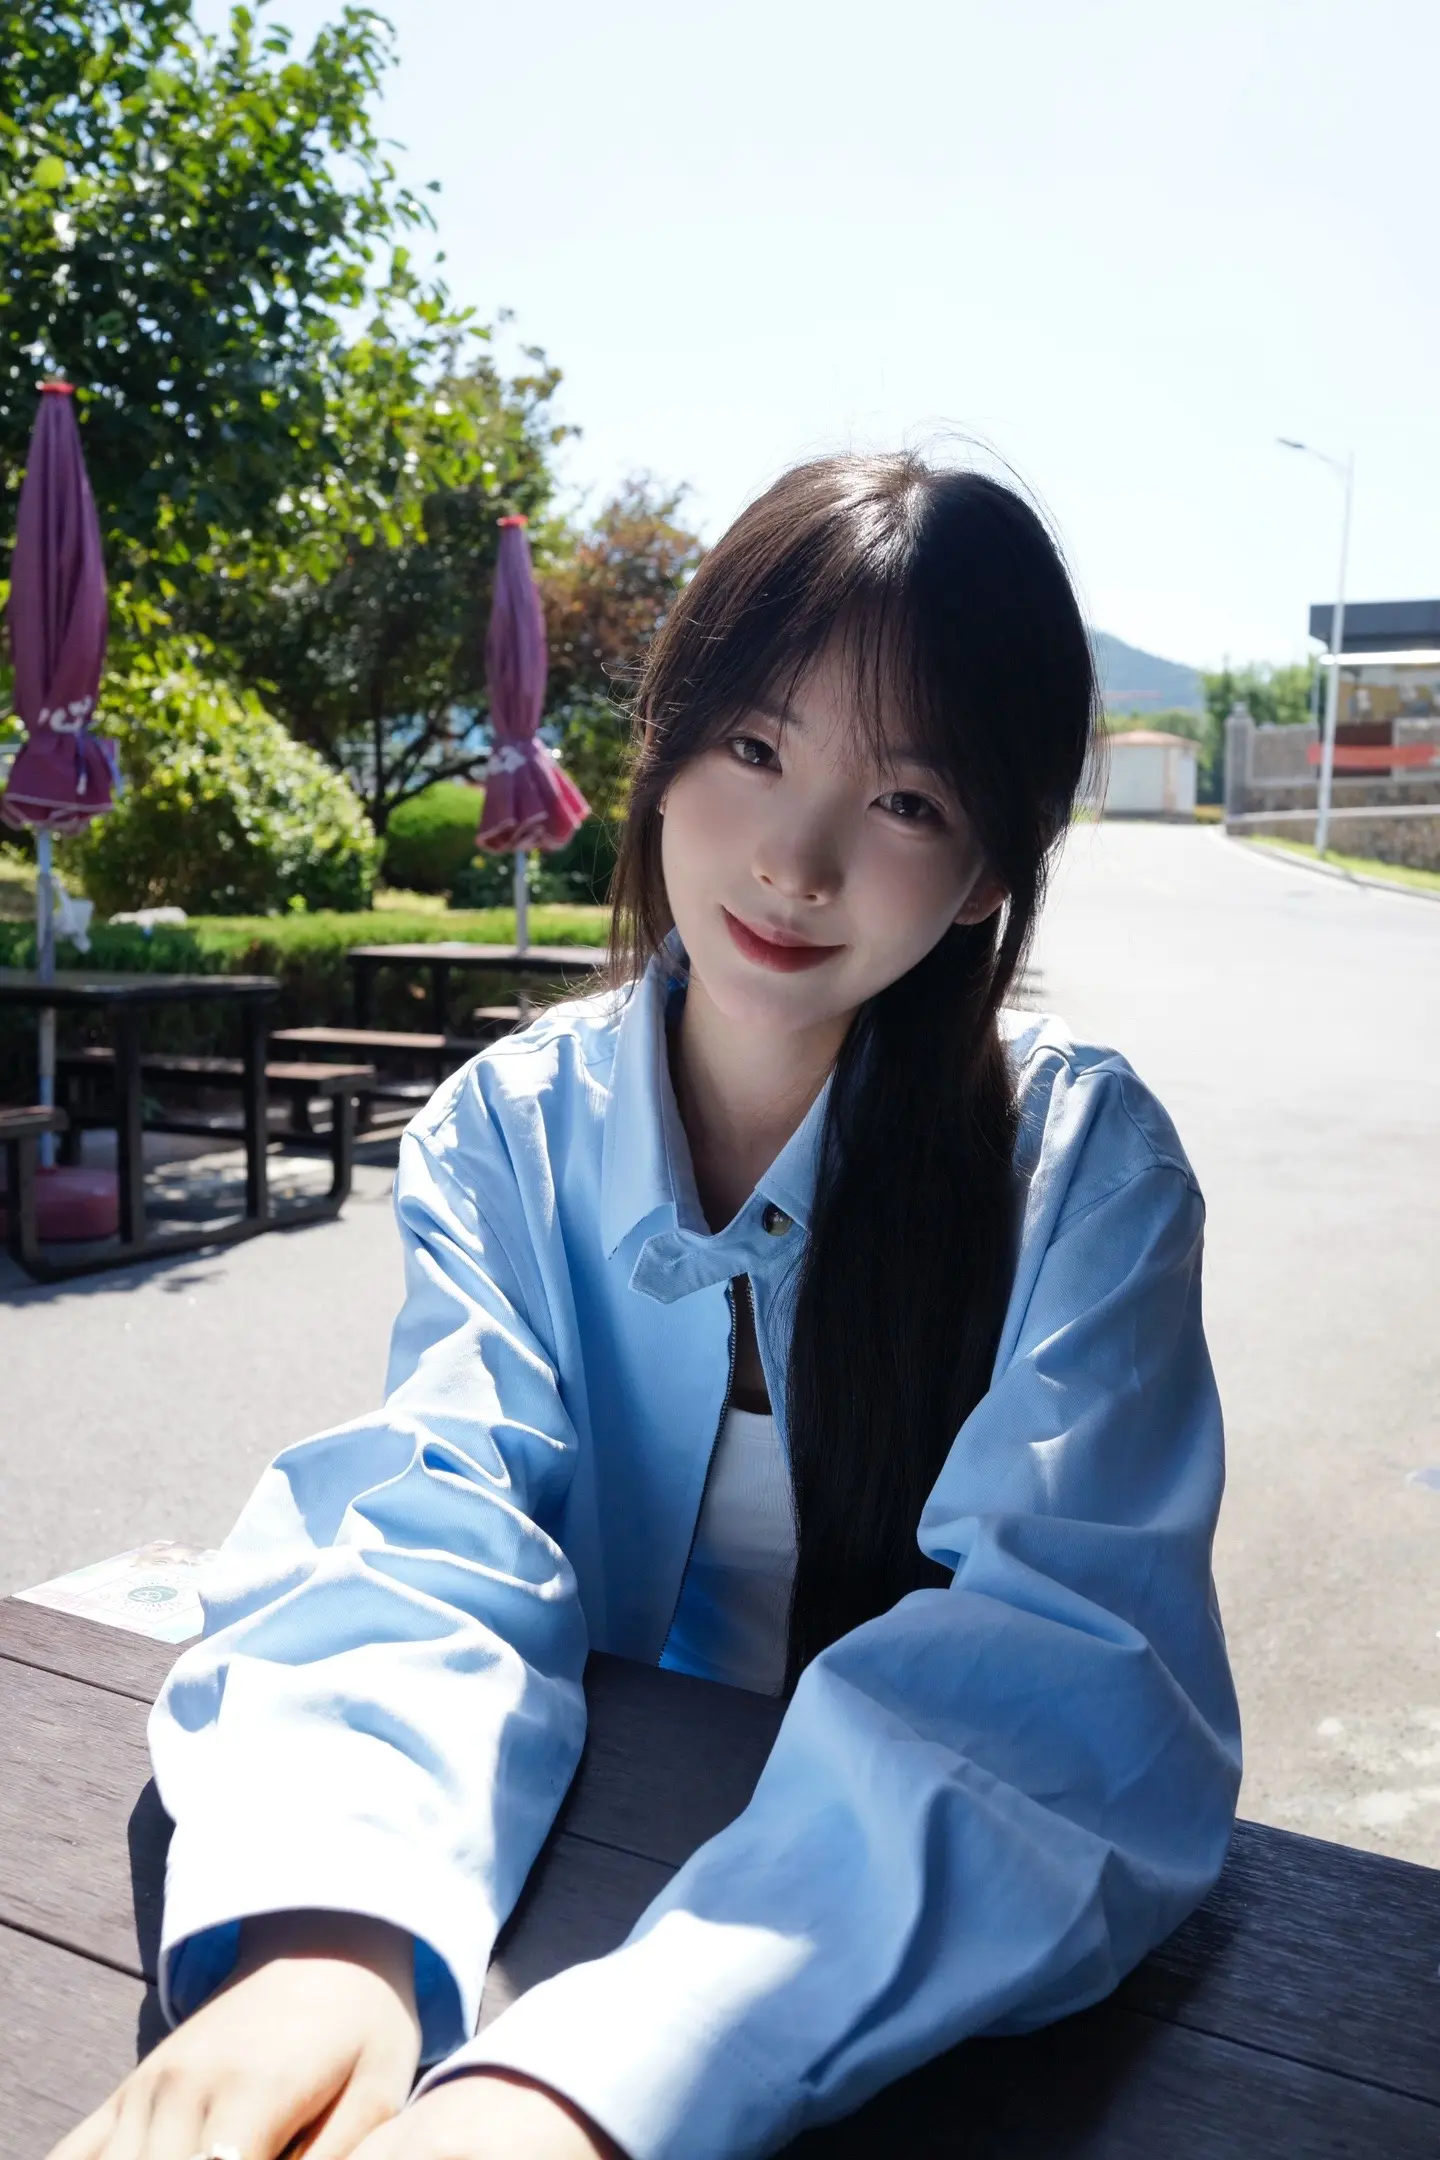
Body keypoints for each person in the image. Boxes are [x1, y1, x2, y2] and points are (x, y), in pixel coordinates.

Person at [50, 453, 1241, 2160]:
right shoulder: (510, 1129)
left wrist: (600, 2075)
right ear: (663, 750)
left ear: (991, 869)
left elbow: (1062, 1680)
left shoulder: (1079, 1172)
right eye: (755, 748)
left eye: (907, 802)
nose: (796, 861)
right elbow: (431, 1518)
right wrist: (337, 1936)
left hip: (910, 1995)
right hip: (546, 1870)